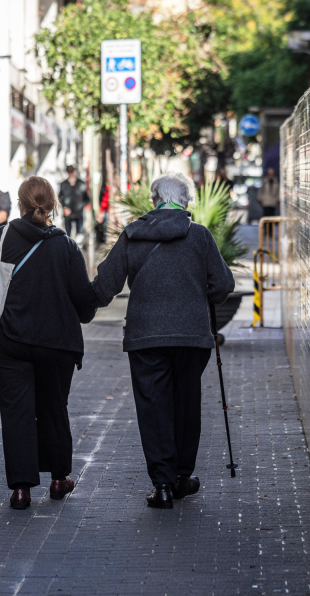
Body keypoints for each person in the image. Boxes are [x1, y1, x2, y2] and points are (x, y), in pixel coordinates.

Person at [91, 173, 234, 509]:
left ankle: (163, 486)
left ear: (153, 199)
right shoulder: (199, 236)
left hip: (146, 337)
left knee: (153, 407)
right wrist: (201, 292)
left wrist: (75, 306)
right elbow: (223, 285)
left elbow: (105, 286)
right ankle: (183, 477)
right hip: (191, 336)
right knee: (186, 402)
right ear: (186, 202)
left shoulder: (132, 235)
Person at [0, 177, 98, 510]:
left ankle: (21, 490)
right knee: (54, 408)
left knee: (16, 411)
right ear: (53, 205)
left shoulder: (4, 237)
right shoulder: (66, 246)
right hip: (57, 345)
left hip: (9, 341)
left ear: (21, 205)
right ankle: (58, 479)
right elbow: (84, 305)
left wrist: (6, 284)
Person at [57, 165, 91, 241]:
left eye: (72, 172)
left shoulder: (81, 184)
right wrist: (64, 207)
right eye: (69, 172)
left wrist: (80, 206)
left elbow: (87, 199)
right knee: (67, 235)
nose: (71, 174)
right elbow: (59, 198)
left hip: (79, 214)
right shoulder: (63, 184)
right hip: (68, 215)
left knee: (79, 235)